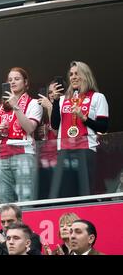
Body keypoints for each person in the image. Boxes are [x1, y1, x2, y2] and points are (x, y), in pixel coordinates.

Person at [50, 61, 109, 198]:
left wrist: (84, 118)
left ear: (86, 76)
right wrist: (56, 102)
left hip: (86, 150)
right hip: (64, 151)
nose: (74, 77)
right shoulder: (63, 99)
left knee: (85, 192)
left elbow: (103, 126)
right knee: (64, 194)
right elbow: (54, 125)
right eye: (71, 74)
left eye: (77, 73)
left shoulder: (97, 97)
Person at [0, 67, 43, 203]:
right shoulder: (0, 107)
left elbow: (30, 128)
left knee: (25, 199)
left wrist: (16, 107)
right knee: (5, 202)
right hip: (2, 155)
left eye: (17, 79)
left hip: (23, 154)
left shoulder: (33, 103)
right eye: (10, 80)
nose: (13, 82)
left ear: (26, 82)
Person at [36, 80, 62, 199]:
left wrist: (51, 107)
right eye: (50, 92)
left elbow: (57, 130)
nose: (52, 94)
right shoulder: (44, 112)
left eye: (55, 91)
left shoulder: (64, 107)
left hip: (59, 159)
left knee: (58, 195)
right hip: (44, 161)